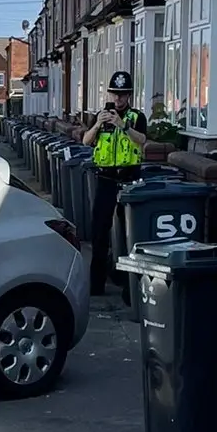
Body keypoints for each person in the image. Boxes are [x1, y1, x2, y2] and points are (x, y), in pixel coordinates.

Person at [81, 71, 148, 295]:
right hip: (106, 179)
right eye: (115, 94)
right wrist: (97, 125)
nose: (118, 99)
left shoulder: (137, 117)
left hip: (130, 181)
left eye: (123, 94)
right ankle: (97, 285)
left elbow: (142, 140)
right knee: (100, 232)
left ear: (129, 95)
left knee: (129, 234)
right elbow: (86, 141)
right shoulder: (101, 116)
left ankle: (129, 288)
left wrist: (123, 125)